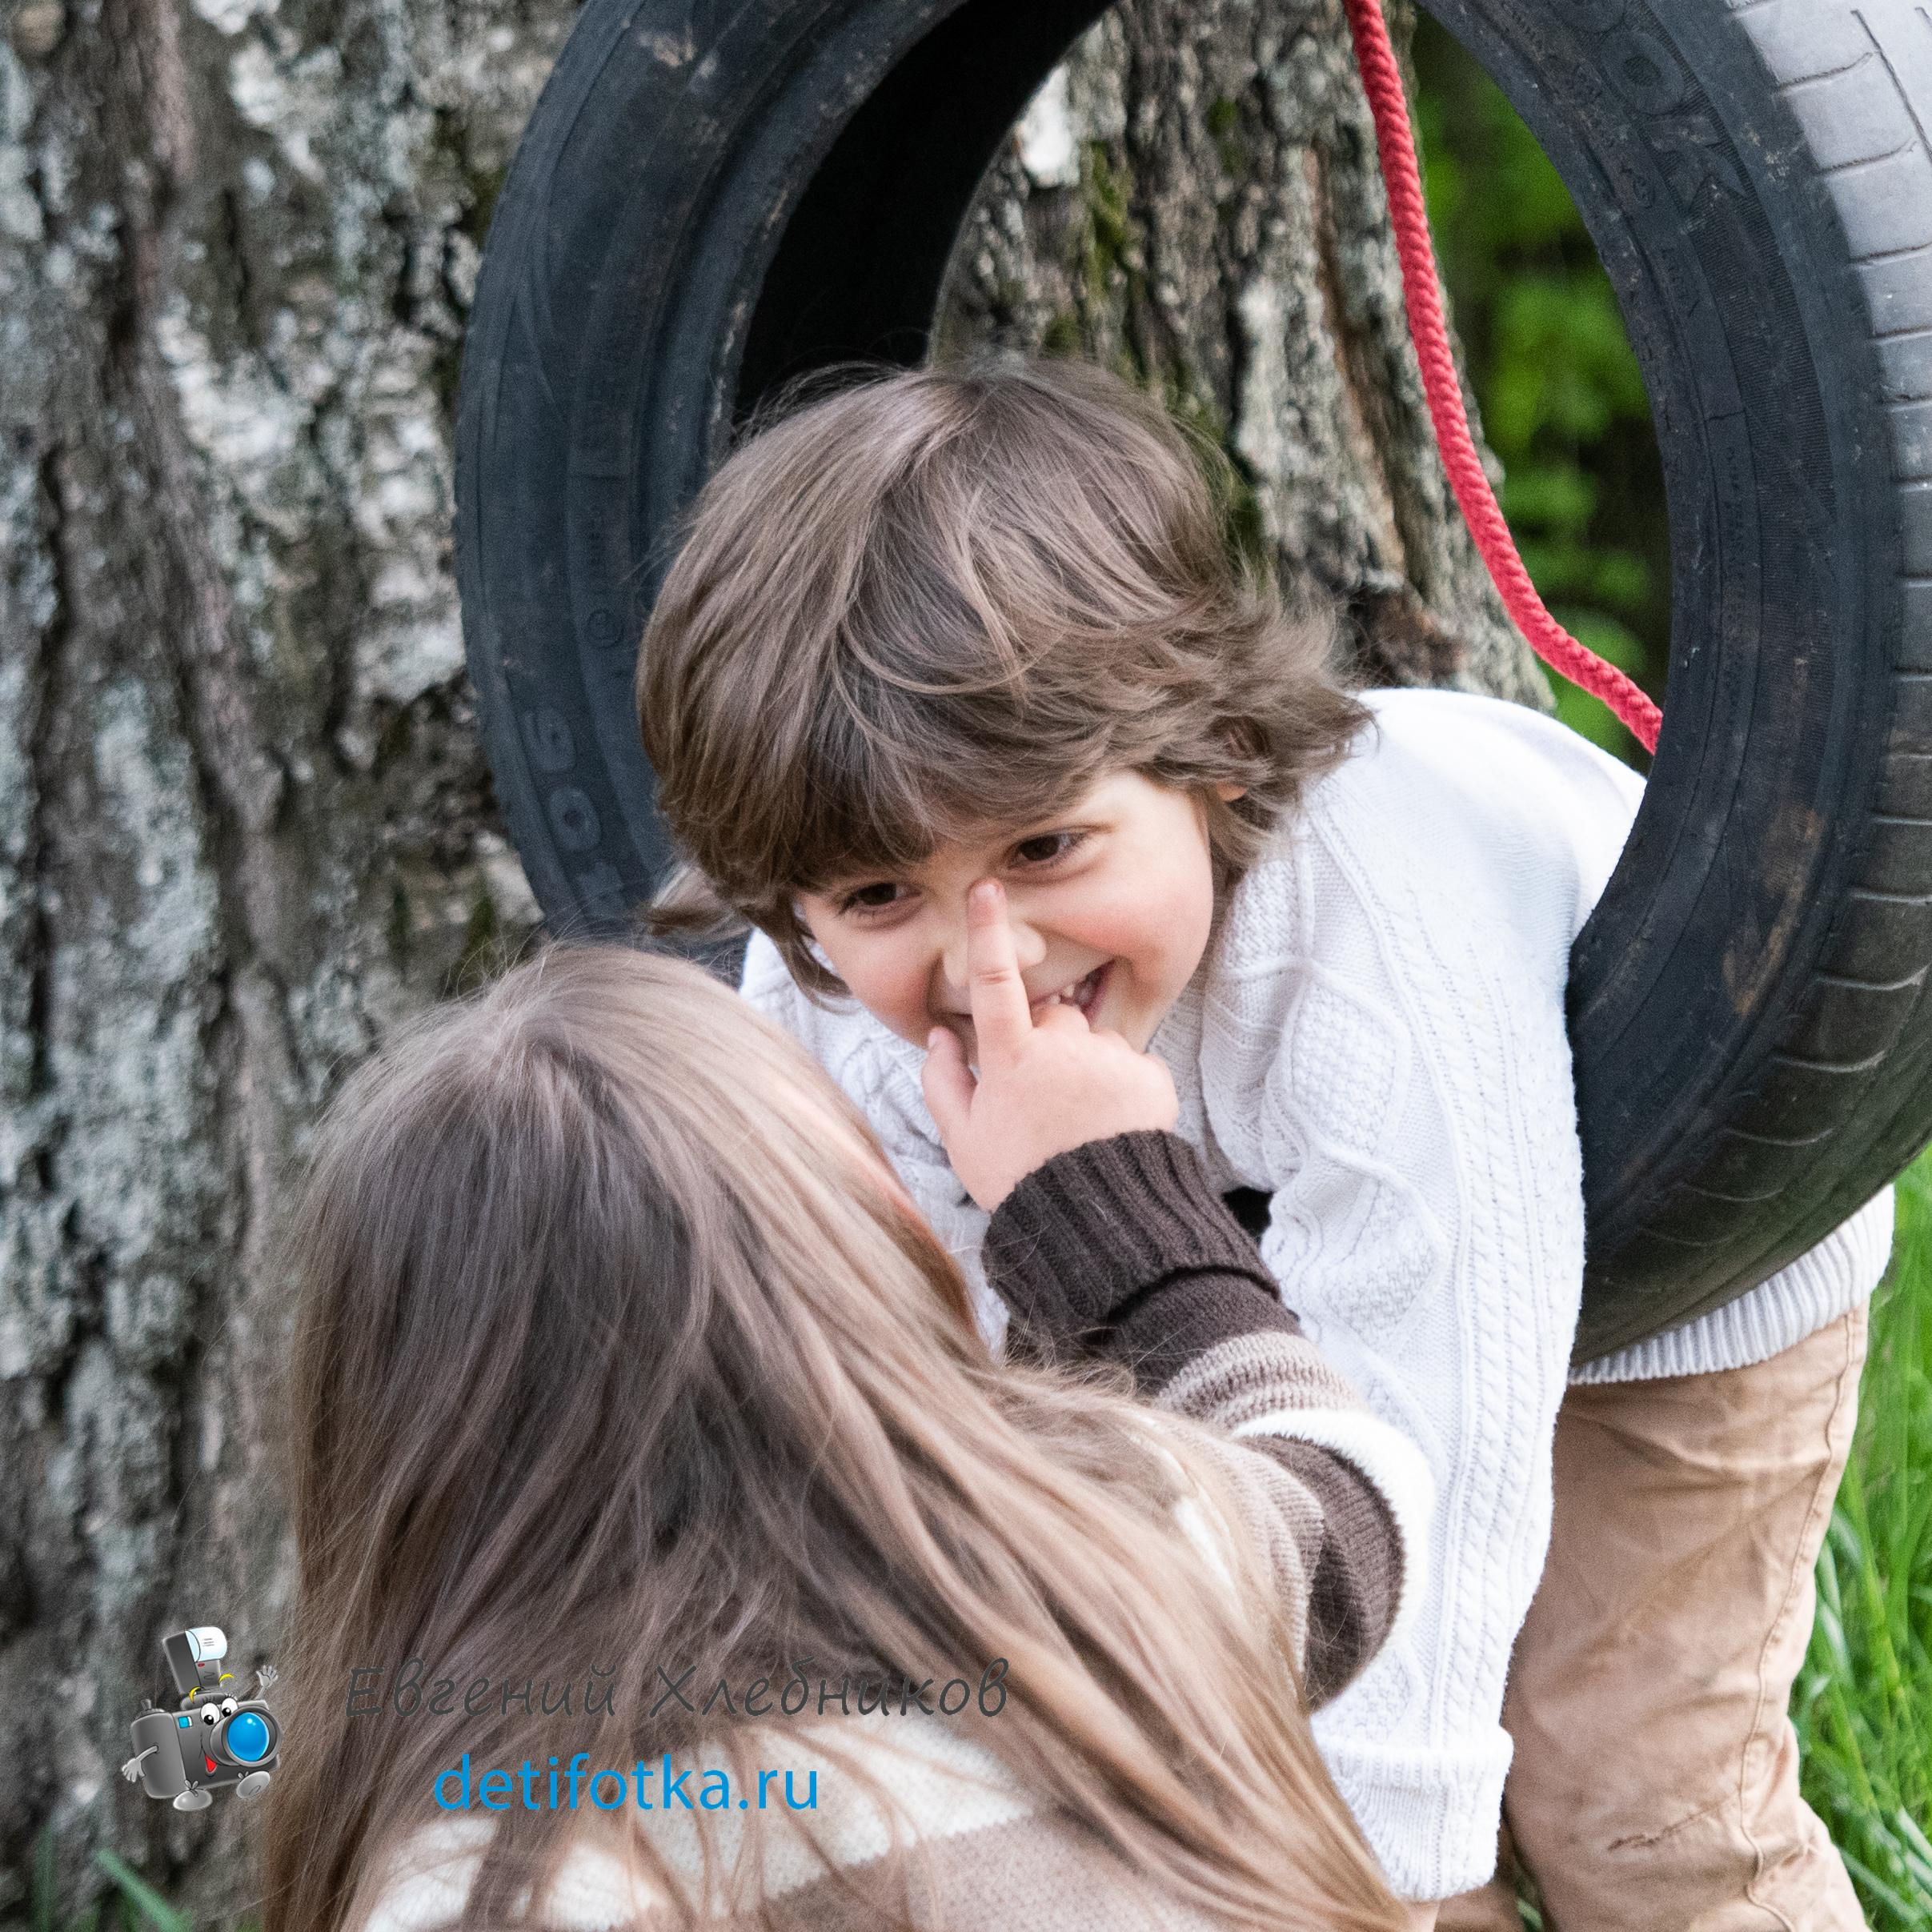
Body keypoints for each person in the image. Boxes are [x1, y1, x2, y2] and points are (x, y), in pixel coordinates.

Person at [635, 351, 1894, 1930]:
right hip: (1264, 1317)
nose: (989, 961)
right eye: (879, 896)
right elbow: (935, 1403)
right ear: (792, 905)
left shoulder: (1364, 939)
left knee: (1629, 1787)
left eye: (1046, 845)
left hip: (1670, 1282)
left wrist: (1372, 1883)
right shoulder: (820, 1008)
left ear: (1210, 757)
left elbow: (1445, 1396)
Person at [260, 938, 1434, 1932]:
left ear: (378, 1435)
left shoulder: (494, 1872)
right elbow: (1345, 1493)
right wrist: (1099, 1187)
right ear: (869, 1245)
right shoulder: (1113, 1551)